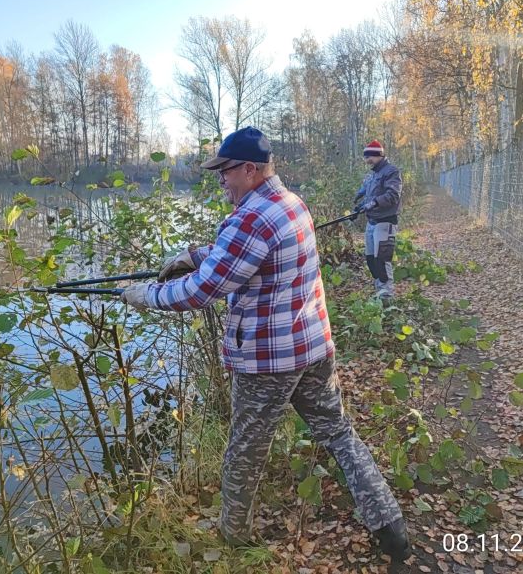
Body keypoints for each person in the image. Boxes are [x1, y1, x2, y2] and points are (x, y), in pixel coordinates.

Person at [120, 126, 411, 561]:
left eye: (224, 171)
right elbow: (244, 254)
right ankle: (391, 527)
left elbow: (200, 291)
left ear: (249, 170)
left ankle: (233, 537)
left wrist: (144, 295)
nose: (221, 179)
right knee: (338, 433)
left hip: (268, 362)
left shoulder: (250, 218)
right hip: (313, 347)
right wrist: (193, 255)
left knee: (245, 452)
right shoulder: (292, 203)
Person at [353, 140, 402, 301]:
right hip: (372, 221)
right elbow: (370, 196)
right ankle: (378, 291)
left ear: (379, 155)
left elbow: (393, 195)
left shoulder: (391, 172)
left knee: (382, 259)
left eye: (370, 157)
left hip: (385, 221)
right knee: (371, 259)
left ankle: (386, 295)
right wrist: (360, 206)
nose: (367, 160)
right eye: (366, 157)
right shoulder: (373, 174)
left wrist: (374, 203)